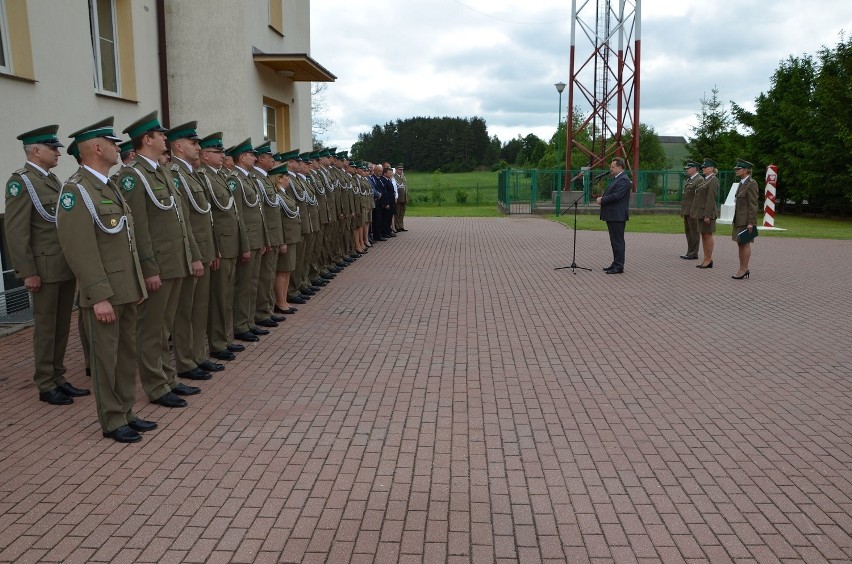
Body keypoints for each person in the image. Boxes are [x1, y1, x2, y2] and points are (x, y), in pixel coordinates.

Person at [56, 117, 152, 443]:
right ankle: (111, 420)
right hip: (106, 293)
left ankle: (126, 411)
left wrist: (137, 283)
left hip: (125, 288)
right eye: (113, 143)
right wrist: (98, 296)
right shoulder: (76, 191)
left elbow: (125, 242)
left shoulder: (107, 186)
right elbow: (79, 249)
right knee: (105, 360)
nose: (118, 147)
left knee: (126, 356)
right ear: (98, 148)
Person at [115, 111, 204, 409]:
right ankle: (155, 386)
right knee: (151, 330)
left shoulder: (161, 171)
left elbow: (181, 221)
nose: (166, 138)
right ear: (147, 139)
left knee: (164, 327)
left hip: (175, 261)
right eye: (160, 135)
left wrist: (191, 256)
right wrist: (148, 269)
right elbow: (137, 228)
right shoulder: (132, 175)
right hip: (159, 266)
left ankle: (168, 379)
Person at [5, 125, 89, 405]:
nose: (57, 152)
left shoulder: (51, 180)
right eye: (52, 148)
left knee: (62, 325)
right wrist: (26, 272)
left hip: (62, 267)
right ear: (36, 150)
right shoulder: (22, 182)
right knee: (46, 328)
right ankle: (45, 383)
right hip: (43, 270)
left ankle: (58, 377)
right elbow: (16, 232)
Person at [167, 122, 221, 378]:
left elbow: (205, 218)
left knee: (200, 309)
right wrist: (195, 256)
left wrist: (212, 250)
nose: (198, 147)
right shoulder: (175, 175)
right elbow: (183, 221)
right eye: (194, 143)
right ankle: (186, 362)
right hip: (192, 254)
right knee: (185, 312)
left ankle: (199, 356)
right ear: (178, 146)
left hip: (204, 250)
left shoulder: (193, 174)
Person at [197, 132, 250, 361]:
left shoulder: (219, 176)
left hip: (231, 243)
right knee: (218, 298)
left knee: (226, 295)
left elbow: (234, 213)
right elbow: (207, 217)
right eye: (218, 152)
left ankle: (225, 338)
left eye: (222, 152)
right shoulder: (204, 177)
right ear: (206, 155)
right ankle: (217, 343)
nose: (222, 155)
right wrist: (214, 247)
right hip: (221, 245)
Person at [596, 157, 631, 274]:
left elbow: (617, 196)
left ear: (620, 167)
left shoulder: (624, 180)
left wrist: (602, 199)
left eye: (612, 166)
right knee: (614, 241)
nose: (610, 168)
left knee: (618, 241)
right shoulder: (616, 178)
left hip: (617, 215)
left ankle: (619, 266)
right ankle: (615, 263)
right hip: (612, 215)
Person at [731, 159, 760, 279]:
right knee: (740, 243)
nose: (736, 171)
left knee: (745, 243)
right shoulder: (741, 183)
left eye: (739, 169)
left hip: (746, 220)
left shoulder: (751, 183)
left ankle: (744, 269)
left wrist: (751, 223)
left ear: (746, 170)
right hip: (739, 218)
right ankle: (742, 268)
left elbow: (753, 204)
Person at [691, 158, 718, 269]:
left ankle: (708, 259)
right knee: (704, 235)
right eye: (703, 167)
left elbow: (711, 199)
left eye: (705, 167)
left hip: (708, 214)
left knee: (708, 235)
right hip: (701, 213)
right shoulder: (706, 180)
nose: (703, 169)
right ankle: (706, 259)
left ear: (712, 169)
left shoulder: (713, 180)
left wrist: (707, 215)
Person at [679, 160, 702, 260]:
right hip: (687, 211)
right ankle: (689, 251)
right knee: (688, 232)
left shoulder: (699, 180)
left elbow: (698, 198)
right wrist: (683, 211)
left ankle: (694, 253)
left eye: (688, 168)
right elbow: (686, 197)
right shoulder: (690, 180)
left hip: (693, 211)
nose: (687, 170)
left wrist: (694, 211)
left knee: (694, 232)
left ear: (694, 169)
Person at [393, 163, 408, 232]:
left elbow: (405, 187)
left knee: (402, 213)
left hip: (404, 197)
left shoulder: (403, 177)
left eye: (402, 169)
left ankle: (401, 226)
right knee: (397, 213)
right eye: (399, 169)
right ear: (396, 170)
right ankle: (397, 226)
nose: (401, 171)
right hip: (398, 198)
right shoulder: (394, 177)